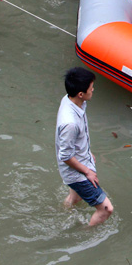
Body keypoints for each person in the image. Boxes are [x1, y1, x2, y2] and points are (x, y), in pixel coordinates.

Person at [55, 67, 114, 226]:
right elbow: (65, 155)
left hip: (82, 159)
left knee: (75, 197)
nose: (93, 89)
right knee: (106, 209)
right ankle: (86, 235)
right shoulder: (70, 123)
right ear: (81, 94)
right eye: (91, 88)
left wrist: (87, 151)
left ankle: (63, 212)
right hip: (76, 171)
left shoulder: (70, 99)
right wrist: (87, 171)